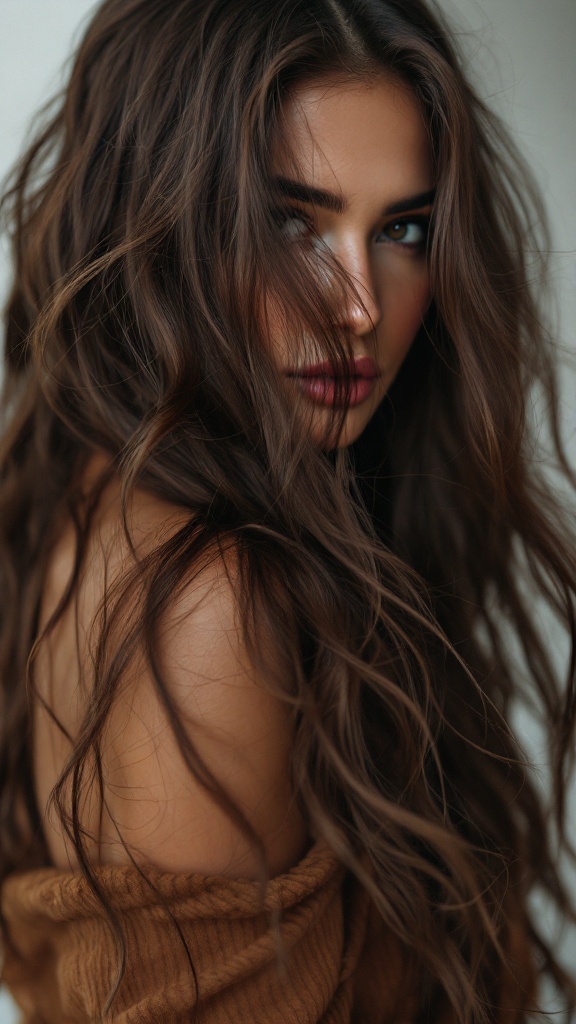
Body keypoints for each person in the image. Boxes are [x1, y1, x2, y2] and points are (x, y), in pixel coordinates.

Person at [0, 0, 575, 1020]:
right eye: (291, 221)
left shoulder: (81, 482)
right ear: (160, 218)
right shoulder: (211, 602)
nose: (359, 304)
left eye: (402, 228)